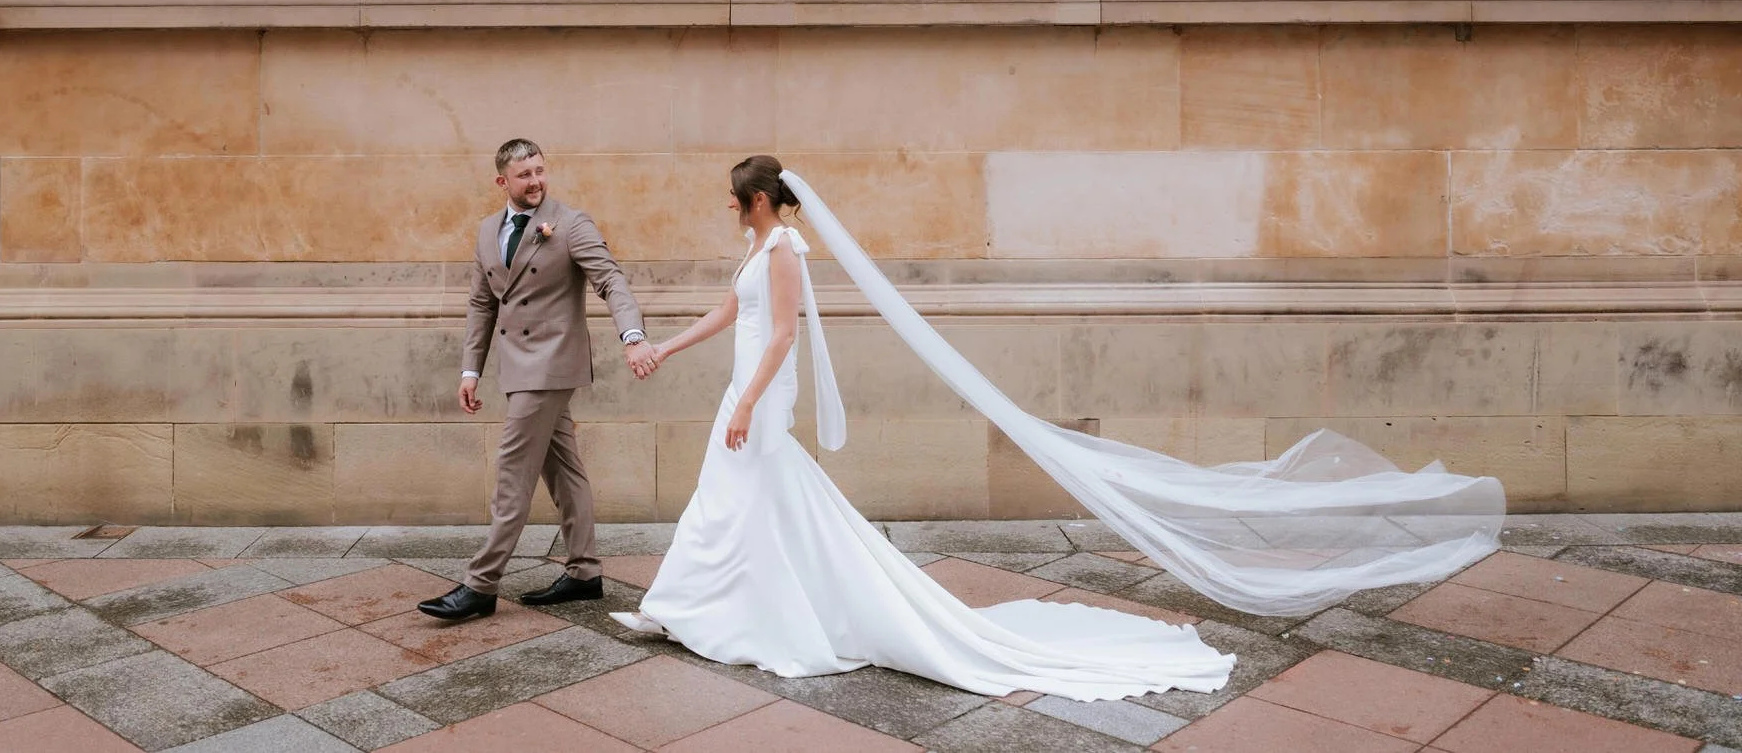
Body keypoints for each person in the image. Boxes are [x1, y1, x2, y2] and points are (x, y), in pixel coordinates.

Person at [608, 158, 1505, 700]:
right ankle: (700, 607)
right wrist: (662, 351)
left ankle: (709, 611)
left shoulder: (789, 253)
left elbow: (784, 335)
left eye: (737, 201)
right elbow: (729, 316)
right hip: (745, 394)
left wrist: (746, 402)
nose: (734, 211)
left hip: (759, 399)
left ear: (757, 202)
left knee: (744, 498)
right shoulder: (759, 253)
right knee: (749, 505)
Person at [418, 140, 660, 620]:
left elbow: (611, 280)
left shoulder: (570, 224)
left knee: (512, 469)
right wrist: (471, 370)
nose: (535, 181)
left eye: (540, 171)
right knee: (562, 468)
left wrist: (632, 336)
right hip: (515, 365)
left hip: (552, 363)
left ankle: (481, 584)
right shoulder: (488, 231)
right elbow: (482, 304)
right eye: (524, 174)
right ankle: (585, 572)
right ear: (502, 181)